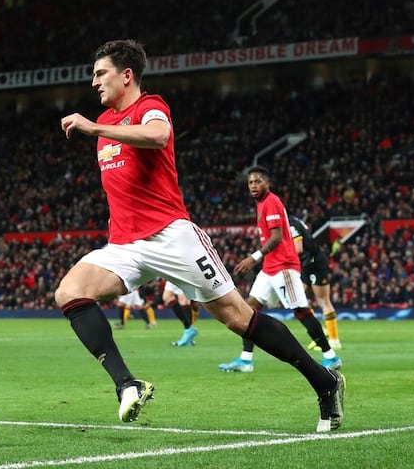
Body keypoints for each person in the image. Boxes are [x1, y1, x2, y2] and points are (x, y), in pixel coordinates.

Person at [56, 40, 344, 432]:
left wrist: (94, 127)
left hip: (171, 237)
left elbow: (157, 136)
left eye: (100, 73)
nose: (93, 82)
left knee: (237, 316)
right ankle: (128, 384)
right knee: (69, 291)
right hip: (125, 244)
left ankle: (324, 382)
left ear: (126, 75)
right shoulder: (107, 128)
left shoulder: (150, 107)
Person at [218, 167, 341, 372]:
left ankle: (330, 355)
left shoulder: (271, 202)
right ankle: (246, 360)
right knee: (249, 310)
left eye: (258, 181)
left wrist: (253, 257)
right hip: (269, 268)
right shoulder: (262, 204)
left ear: (267, 183)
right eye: (250, 182)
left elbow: (277, 237)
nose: (254, 185)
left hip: (284, 266)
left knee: (300, 310)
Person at [290, 214, 341, 366]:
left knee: (323, 301)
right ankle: (322, 332)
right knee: (299, 300)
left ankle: (334, 340)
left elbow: (298, 248)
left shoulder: (290, 223)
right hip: (306, 264)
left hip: (315, 263)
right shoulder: (294, 220)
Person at [162, 280, 198, 346]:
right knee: (167, 298)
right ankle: (189, 331)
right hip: (170, 273)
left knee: (184, 302)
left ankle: (188, 330)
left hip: (183, 273)